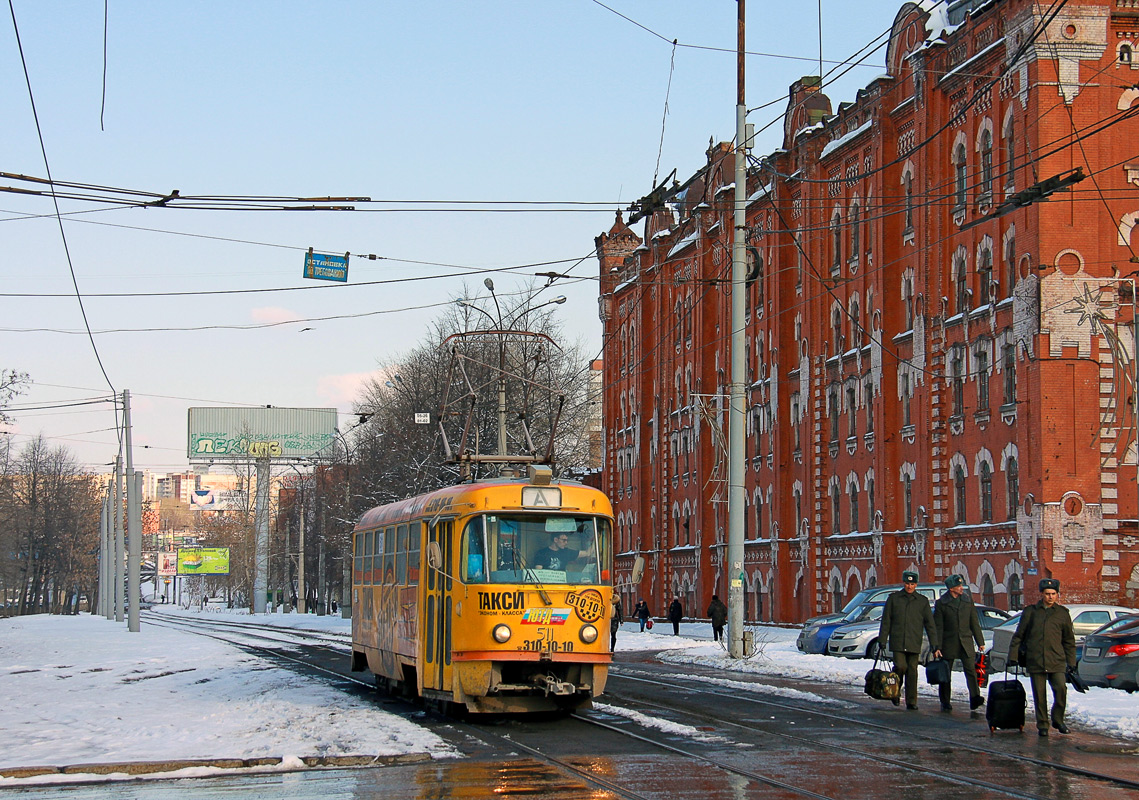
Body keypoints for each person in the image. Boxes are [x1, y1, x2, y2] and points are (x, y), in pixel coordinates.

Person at [1007, 578, 1077, 736]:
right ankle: (1043, 725)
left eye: (1053, 594)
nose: (1050, 597)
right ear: (1042, 594)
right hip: (1036, 659)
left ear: (1057, 594)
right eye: (1047, 594)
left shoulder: (1062, 614)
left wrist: (1071, 662)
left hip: (1056, 659)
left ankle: (1058, 719)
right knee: (1039, 694)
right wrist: (1013, 655)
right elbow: (1019, 635)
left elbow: (1069, 640)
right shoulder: (1031, 612)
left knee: (1061, 689)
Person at [878, 570, 940, 710]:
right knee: (900, 666)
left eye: (912, 584)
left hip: (914, 641)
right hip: (898, 640)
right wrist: (882, 639)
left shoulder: (922, 601)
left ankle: (912, 701)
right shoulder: (894, 599)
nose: (909, 586)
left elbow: (930, 624)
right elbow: (886, 621)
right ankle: (895, 691)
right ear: (903, 583)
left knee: (912, 670)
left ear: (916, 585)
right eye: (907, 583)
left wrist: (934, 643)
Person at [933, 574, 985, 712]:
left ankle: (975, 697)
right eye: (959, 586)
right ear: (951, 589)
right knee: (946, 672)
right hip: (948, 643)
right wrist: (937, 646)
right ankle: (945, 700)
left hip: (965, 641)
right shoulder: (942, 603)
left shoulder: (967, 601)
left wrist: (980, 641)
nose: (962, 588)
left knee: (971, 670)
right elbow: (938, 627)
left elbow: (974, 622)